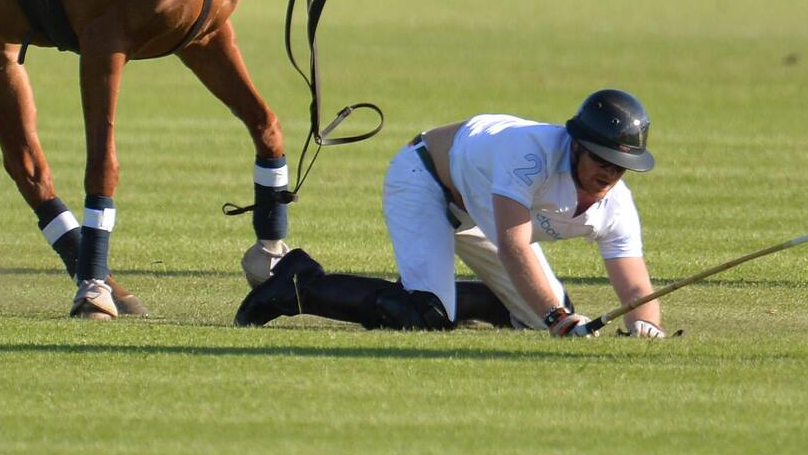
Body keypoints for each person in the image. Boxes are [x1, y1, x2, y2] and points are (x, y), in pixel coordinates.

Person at [235, 89, 666, 339]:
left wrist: (645, 328)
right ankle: (298, 284)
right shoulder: (531, 155)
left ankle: (441, 292)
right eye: (601, 160)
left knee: (542, 312)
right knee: (426, 316)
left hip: (479, 210)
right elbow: (514, 245)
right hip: (425, 180)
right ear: (575, 145)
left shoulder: (616, 205)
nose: (608, 174)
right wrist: (557, 319)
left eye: (619, 166)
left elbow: (635, 288)